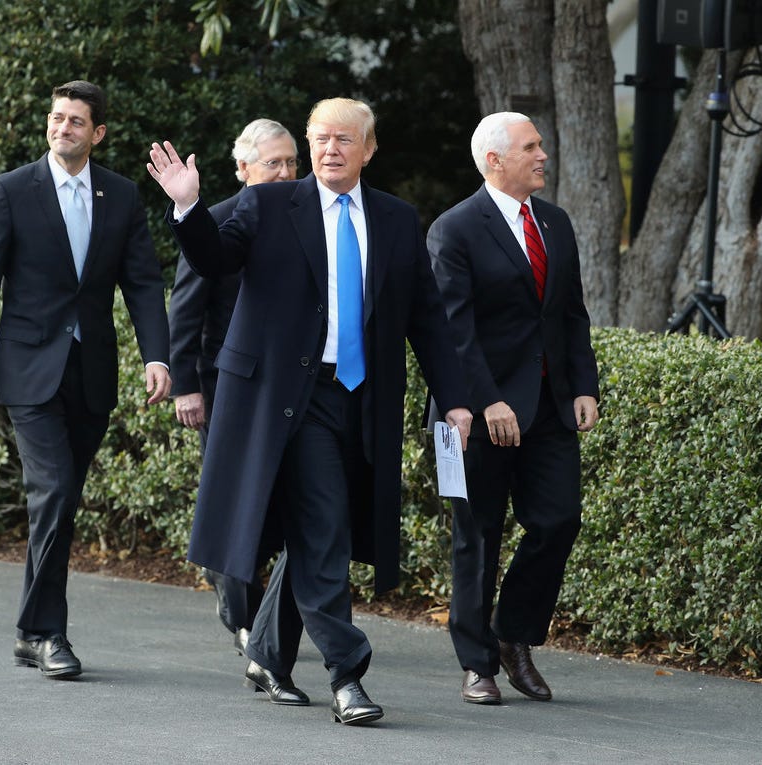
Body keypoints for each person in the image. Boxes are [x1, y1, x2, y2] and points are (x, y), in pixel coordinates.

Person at [147, 97, 472, 725]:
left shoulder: (398, 220)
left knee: (326, 529)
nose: (329, 149)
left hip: (362, 397)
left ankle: (268, 652)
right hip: (285, 396)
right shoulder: (267, 204)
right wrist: (187, 207)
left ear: (369, 149)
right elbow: (213, 262)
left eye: (344, 139)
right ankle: (347, 674)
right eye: (320, 138)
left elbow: (427, 318)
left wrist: (455, 399)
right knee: (324, 526)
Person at [0, 80, 171, 680]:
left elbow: (144, 283)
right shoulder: (10, 191)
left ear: (97, 133)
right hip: (28, 371)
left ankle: (30, 632)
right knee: (53, 492)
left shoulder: (122, 195)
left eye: (76, 121)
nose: (63, 128)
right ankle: (47, 633)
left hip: (92, 371)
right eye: (56, 119)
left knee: (62, 501)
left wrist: (159, 356)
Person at [426, 112, 599, 705]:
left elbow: (569, 311)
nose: (543, 154)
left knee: (558, 520)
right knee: (478, 536)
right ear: (494, 160)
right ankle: (477, 664)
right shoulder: (455, 229)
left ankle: (513, 635)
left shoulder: (554, 221)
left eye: (541, 145)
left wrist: (584, 385)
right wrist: (486, 399)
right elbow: (454, 331)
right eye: (531, 147)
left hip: (548, 406)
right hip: (475, 415)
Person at [168, 118, 299, 655]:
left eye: (293, 162)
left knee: (283, 501)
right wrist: (186, 387)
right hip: (224, 385)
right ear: (243, 168)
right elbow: (185, 309)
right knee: (237, 496)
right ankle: (239, 606)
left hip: (290, 386)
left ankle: (244, 593)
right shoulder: (217, 221)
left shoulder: (305, 220)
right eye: (274, 163)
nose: (287, 172)